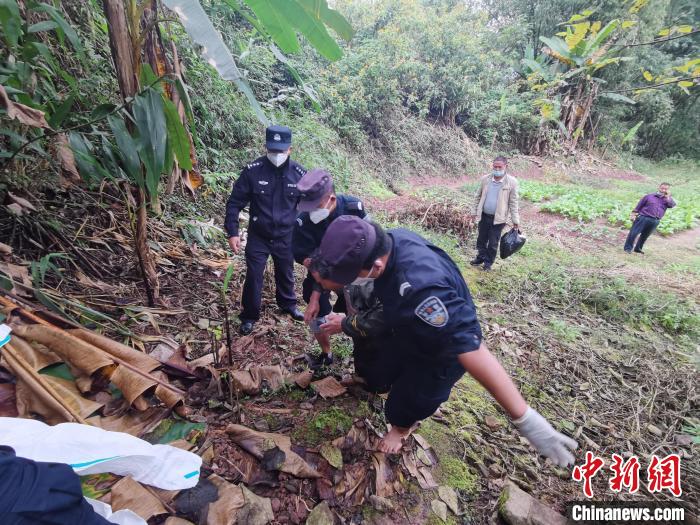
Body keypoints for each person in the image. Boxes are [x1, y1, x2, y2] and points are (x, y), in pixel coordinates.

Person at [310, 216, 577, 465]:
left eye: (348, 277)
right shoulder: (389, 241)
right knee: (382, 370)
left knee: (405, 403)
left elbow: (468, 347)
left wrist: (524, 418)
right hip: (408, 330)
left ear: (376, 266)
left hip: (439, 352)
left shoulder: (422, 289)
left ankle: (402, 428)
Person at [225, 125, 306, 335]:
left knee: (286, 271)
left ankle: (288, 304)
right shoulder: (253, 171)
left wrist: (306, 237)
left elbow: (309, 208)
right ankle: (249, 315)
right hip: (258, 235)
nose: (276, 155)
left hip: (286, 235)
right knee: (254, 275)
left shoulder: (300, 175)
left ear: (290, 149)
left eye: (281, 151)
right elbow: (234, 203)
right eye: (272, 150)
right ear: (266, 147)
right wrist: (233, 232)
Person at [292, 168, 367, 368]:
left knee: (361, 312)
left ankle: (363, 355)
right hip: (321, 275)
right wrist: (316, 296)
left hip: (356, 274)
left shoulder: (354, 209)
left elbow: (369, 247)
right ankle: (327, 354)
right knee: (315, 309)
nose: (310, 212)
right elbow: (311, 263)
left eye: (314, 206)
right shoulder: (303, 222)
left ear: (331, 199)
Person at [471, 156, 520, 271]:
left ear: (505, 167)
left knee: (493, 243)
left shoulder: (511, 182)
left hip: (499, 219)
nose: (497, 169)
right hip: (484, 215)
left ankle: (488, 263)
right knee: (481, 240)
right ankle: (480, 257)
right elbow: (477, 196)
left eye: (500, 167)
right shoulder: (485, 179)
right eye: (495, 167)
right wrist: (474, 211)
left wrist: (515, 220)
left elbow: (513, 203)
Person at [624, 182, 676, 254]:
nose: (663, 190)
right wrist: (633, 214)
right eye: (662, 188)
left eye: (666, 189)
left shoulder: (667, 199)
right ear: (659, 187)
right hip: (643, 217)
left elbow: (672, 205)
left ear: (668, 190)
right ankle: (628, 248)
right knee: (634, 233)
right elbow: (639, 205)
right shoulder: (649, 196)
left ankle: (638, 248)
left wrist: (667, 197)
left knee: (645, 235)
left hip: (656, 220)